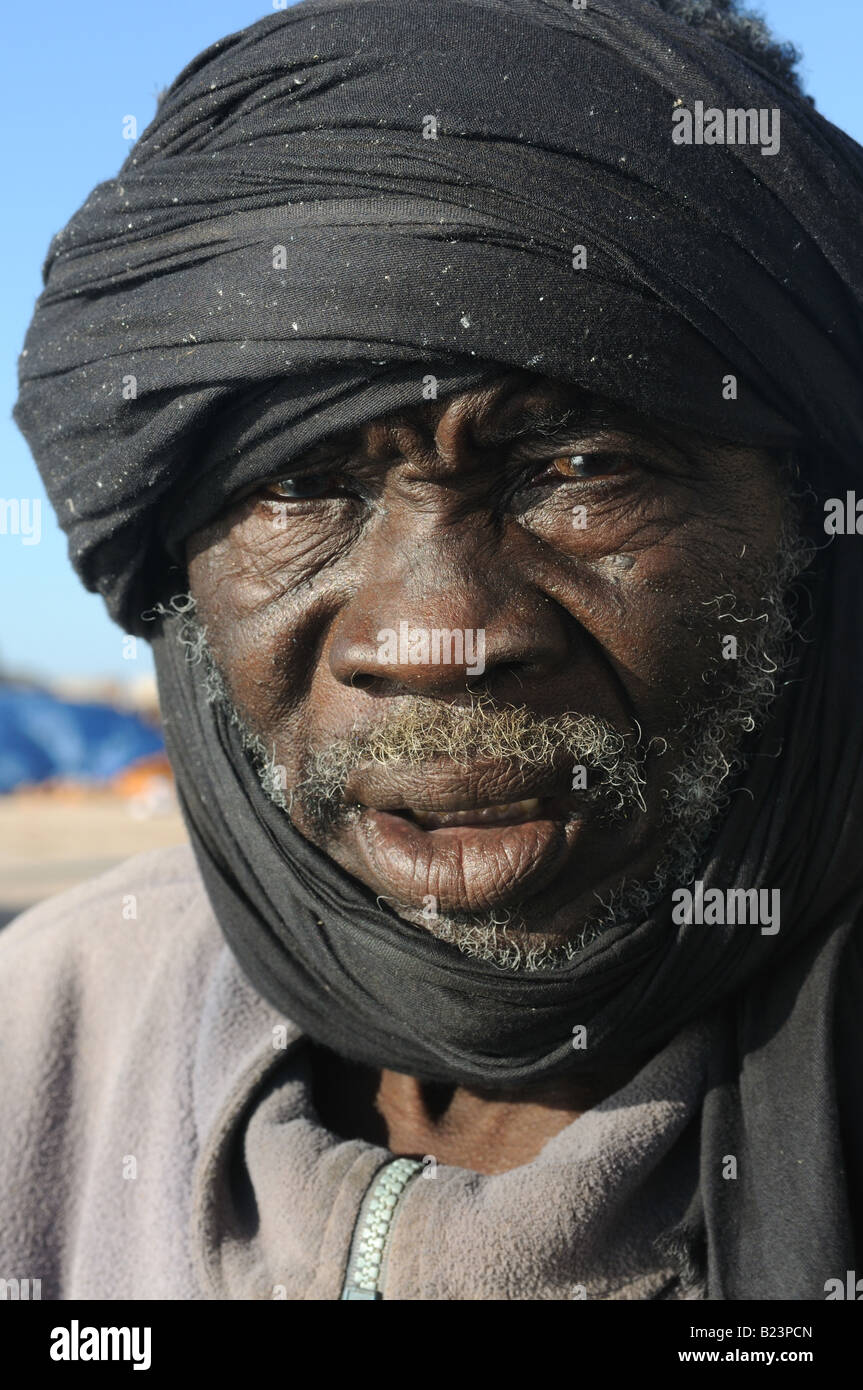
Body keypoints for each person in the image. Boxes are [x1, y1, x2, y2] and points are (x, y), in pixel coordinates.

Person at [3, 0, 862, 1301]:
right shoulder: (45, 1039)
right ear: (179, 563)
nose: (440, 636)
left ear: (810, 521)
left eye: (582, 467)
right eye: (299, 485)